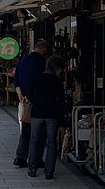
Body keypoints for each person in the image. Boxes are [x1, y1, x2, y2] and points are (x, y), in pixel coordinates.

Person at [27, 55, 69, 179]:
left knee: (34, 140)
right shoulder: (57, 82)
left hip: (37, 114)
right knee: (51, 143)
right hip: (52, 115)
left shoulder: (37, 78)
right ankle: (49, 171)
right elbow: (61, 101)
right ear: (56, 68)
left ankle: (32, 169)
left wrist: (36, 102)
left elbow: (29, 95)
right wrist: (61, 119)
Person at [12, 39, 49, 168]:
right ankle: (36, 158)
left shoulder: (23, 59)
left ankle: (21, 156)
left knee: (25, 130)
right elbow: (38, 81)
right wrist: (30, 96)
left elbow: (16, 78)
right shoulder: (40, 62)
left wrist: (20, 94)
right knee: (39, 132)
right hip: (36, 101)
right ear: (43, 50)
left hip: (23, 100)